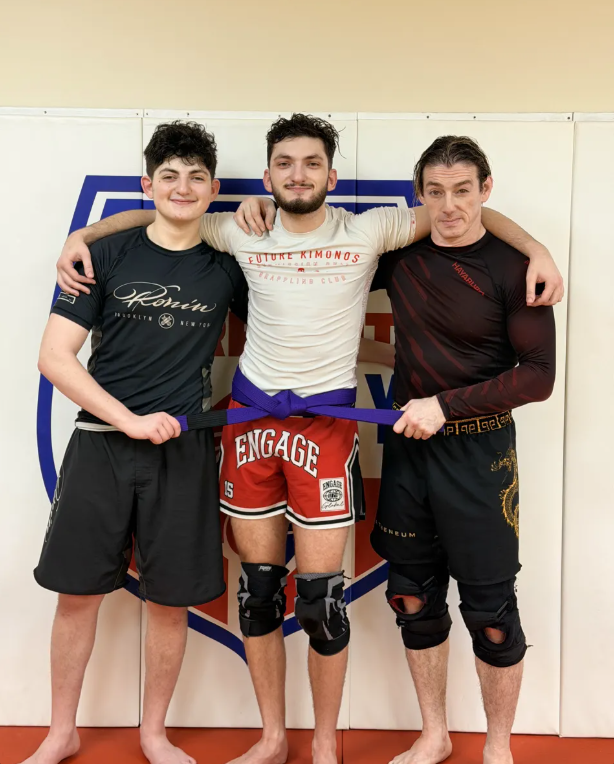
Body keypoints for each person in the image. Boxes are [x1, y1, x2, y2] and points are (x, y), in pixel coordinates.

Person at [55, 115, 563, 764]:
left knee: (324, 602)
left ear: (332, 174)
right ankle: (272, 737)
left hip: (327, 430)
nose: (299, 174)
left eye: (312, 163)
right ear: (268, 177)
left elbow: (458, 211)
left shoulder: (373, 228)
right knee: (259, 591)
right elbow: (164, 218)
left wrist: (537, 247)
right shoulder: (239, 226)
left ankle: (324, 745)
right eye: (286, 164)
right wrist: (84, 234)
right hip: (250, 428)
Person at [24, 122, 249, 764]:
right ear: (148, 185)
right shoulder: (108, 255)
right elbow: (55, 358)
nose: (183, 187)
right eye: (169, 175)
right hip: (102, 444)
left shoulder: (225, 267)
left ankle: (154, 734)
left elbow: (279, 344)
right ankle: (61, 731)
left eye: (197, 177)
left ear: (211, 190)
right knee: (77, 594)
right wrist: (126, 419)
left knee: (170, 600)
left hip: (180, 450)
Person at [369, 136, 556, 764]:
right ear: (419, 194)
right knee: (412, 598)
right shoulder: (400, 255)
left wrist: (444, 406)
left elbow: (538, 374)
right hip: (407, 452)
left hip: (480, 456)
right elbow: (314, 261)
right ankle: (434, 734)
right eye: (436, 191)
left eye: (464, 190)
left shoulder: (512, 267)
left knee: (492, 611)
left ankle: (497, 748)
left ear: (486, 189)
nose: (450, 206)